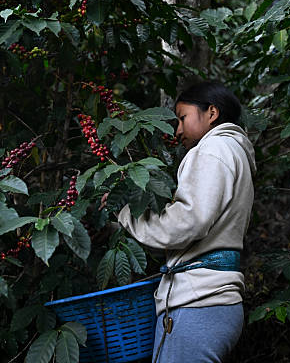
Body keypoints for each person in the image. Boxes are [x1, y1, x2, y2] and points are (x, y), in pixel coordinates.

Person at [105, 81, 256, 363]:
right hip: (213, 302)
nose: (177, 130)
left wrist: (124, 213)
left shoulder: (213, 149)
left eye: (182, 118)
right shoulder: (234, 152)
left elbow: (187, 222)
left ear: (211, 113)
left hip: (199, 303)